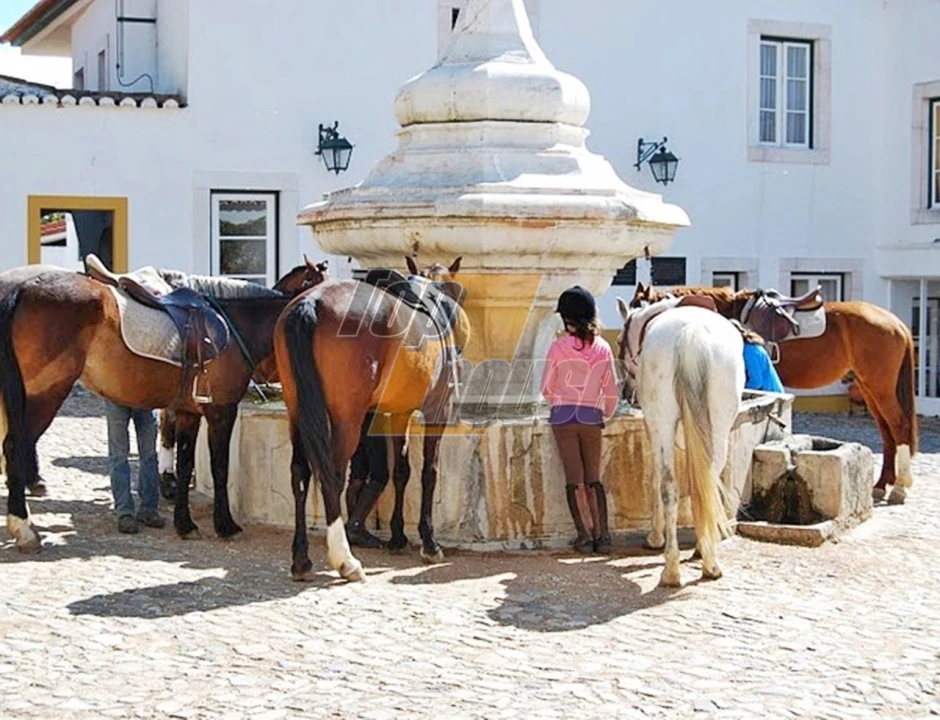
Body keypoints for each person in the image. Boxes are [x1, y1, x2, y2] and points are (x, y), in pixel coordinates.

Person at [541, 286, 620, 554]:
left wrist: (559, 403)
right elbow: (611, 390)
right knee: (593, 477)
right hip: (591, 417)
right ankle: (603, 536)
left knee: (574, 478)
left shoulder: (557, 347)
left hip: (564, 417)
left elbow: (546, 388)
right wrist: (604, 413)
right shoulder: (603, 348)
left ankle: (584, 537)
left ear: (566, 319)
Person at [103, 399, 165, 534]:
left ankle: (148, 508)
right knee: (120, 456)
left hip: (145, 400)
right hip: (118, 397)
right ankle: (125, 511)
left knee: (147, 455)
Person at [730, 319, 786, 393]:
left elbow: (756, 382)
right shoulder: (747, 348)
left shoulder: (750, 351)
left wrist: (737, 391)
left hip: (771, 395)